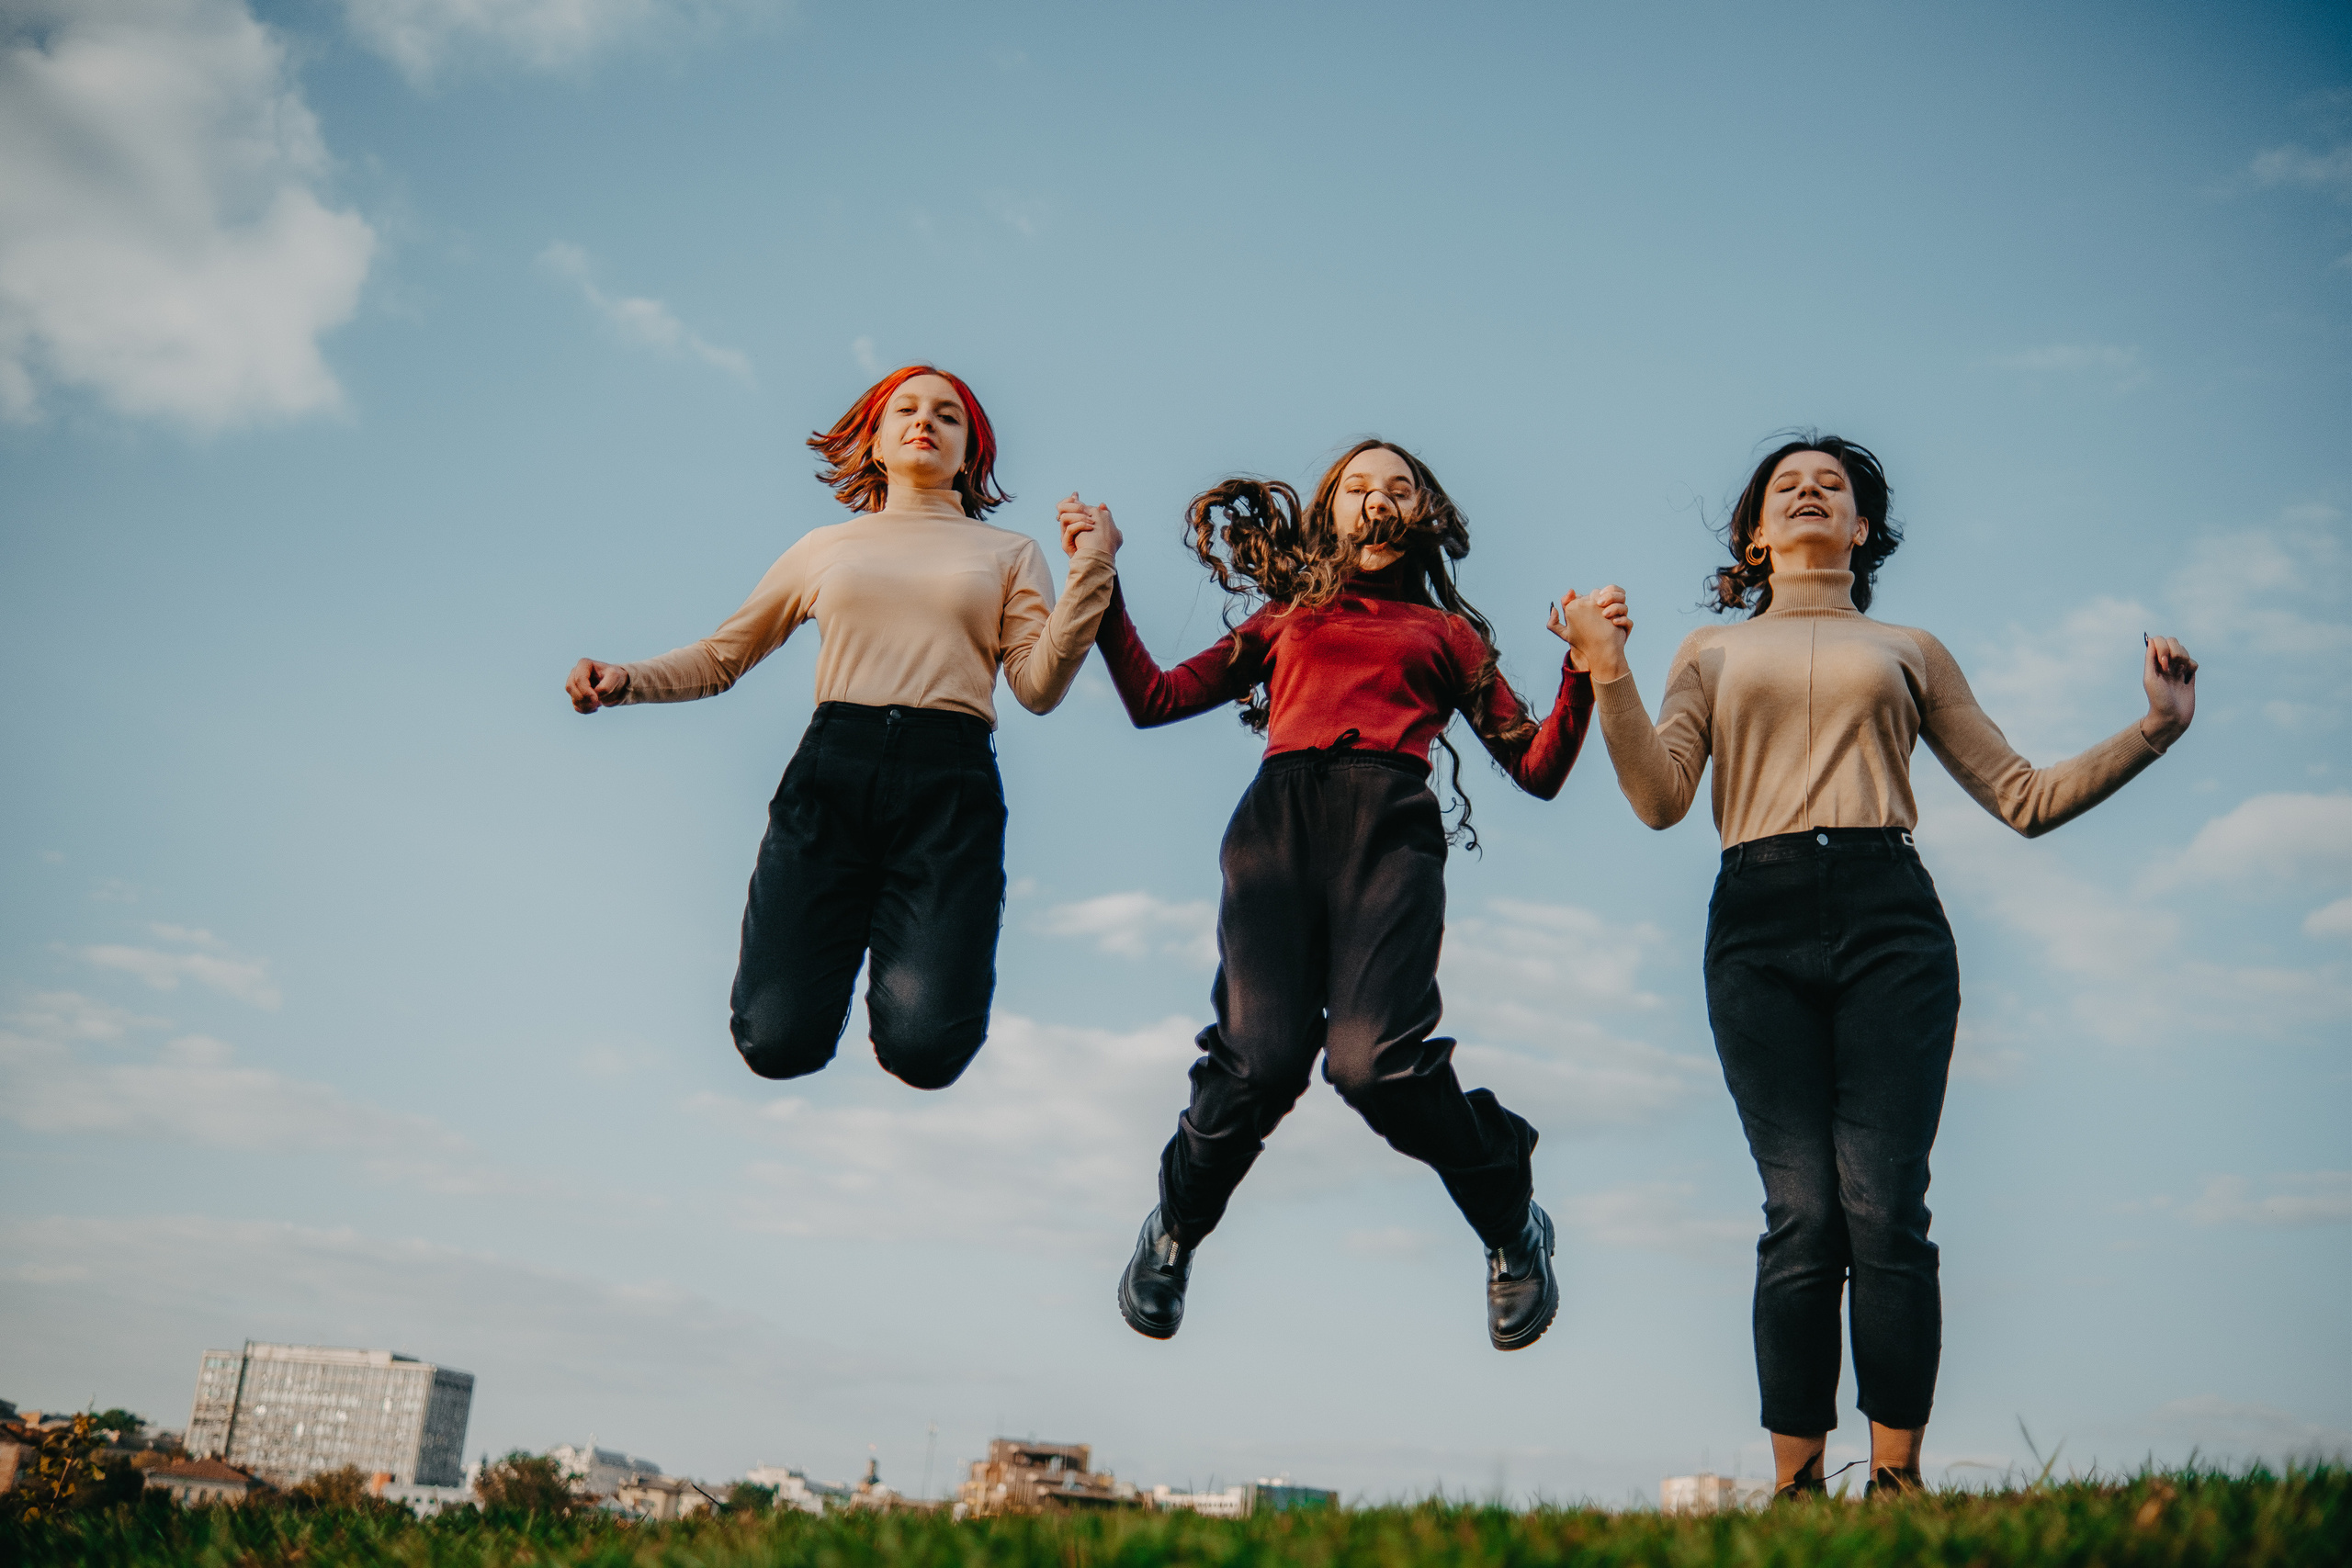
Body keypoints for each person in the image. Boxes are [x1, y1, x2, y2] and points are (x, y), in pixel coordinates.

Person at [1557, 434, 2198, 1497]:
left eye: (1833, 485)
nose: (1809, 491)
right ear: (1755, 535)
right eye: (1785, 485)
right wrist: (1607, 669)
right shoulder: (1707, 652)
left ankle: (1896, 1481)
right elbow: (1660, 798)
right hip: (1755, 923)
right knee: (1802, 1213)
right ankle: (1796, 1489)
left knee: (1884, 1205)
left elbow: (2024, 797)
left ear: (1861, 528)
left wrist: (2156, 729)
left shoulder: (1911, 648)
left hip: (1889, 919)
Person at [1063, 439, 1623, 1350]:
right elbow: (1154, 698)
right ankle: (1172, 1231)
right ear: (1329, 512)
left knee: (1374, 1064)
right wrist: (1102, 577)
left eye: (1397, 485)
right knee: (1261, 1060)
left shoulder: (1448, 636)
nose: (1377, 498)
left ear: (1423, 513)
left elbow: (1537, 767)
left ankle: (1509, 1219)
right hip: (1276, 830)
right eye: (1357, 486)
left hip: (1389, 832)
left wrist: (1582, 670)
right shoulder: (1287, 618)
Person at [565, 366, 1119, 1090]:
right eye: (907, 410)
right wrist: (627, 678)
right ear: (878, 441)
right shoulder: (825, 546)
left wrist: (1091, 568)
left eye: (948, 415)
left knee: (927, 1048)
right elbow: (724, 656)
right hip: (831, 774)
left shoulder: (1010, 553)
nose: (926, 421)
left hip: (948, 788)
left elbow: (1038, 686)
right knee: (775, 1040)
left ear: (970, 451)